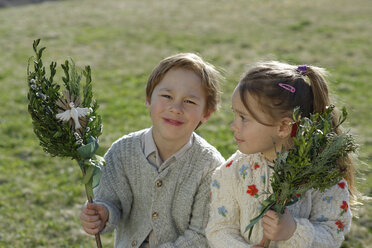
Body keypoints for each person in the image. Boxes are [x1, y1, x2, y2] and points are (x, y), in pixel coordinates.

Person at [80, 53, 225, 247]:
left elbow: (200, 234)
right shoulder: (122, 152)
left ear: (206, 113)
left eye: (189, 101)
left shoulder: (210, 166)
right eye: (167, 96)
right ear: (148, 99)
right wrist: (103, 213)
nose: (176, 108)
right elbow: (108, 200)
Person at [206, 61, 356, 247]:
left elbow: (333, 232)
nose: (233, 126)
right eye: (235, 115)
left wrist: (293, 231)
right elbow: (219, 229)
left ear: (284, 126)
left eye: (244, 118)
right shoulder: (231, 172)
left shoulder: (321, 175)